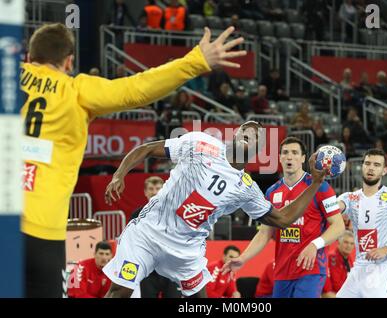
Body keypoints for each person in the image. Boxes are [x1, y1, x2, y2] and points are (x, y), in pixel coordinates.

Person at [20, 23, 246, 298]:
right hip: (42, 230)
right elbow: (136, 89)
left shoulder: (9, 79)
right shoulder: (76, 90)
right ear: (69, 62)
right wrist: (196, 60)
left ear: (29, 58)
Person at [102, 123, 328, 298]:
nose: (251, 132)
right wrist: (119, 174)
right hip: (148, 233)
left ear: (258, 149)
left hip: (186, 252)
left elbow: (282, 219)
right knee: (120, 291)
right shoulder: (200, 143)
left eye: (257, 135)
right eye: (246, 129)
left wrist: (315, 183)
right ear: (236, 134)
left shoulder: (247, 188)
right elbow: (149, 148)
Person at [222, 137, 345, 298]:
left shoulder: (320, 186)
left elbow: (338, 226)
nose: (289, 156)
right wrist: (243, 258)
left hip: (311, 268)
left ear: (302, 159)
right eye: (285, 153)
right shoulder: (272, 192)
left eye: (295, 153)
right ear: (279, 157)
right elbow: (265, 233)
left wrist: (315, 245)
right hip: (282, 271)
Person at [336, 148, 387, 298]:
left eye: (376, 165)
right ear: (362, 167)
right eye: (367, 163)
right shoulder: (349, 198)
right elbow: (330, 210)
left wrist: (386, 249)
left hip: (385, 267)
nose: (371, 168)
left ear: (384, 171)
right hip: (359, 267)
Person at [129, 176, 181, 298]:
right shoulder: (137, 214)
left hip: (171, 268)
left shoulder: (175, 212)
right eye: (151, 189)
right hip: (148, 270)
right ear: (145, 192)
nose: (154, 192)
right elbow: (132, 240)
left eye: (158, 188)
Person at [322, 231, 355, 298]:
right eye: (346, 242)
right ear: (339, 243)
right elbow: (326, 292)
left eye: (352, 243)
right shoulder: (330, 258)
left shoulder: (350, 261)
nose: (349, 246)